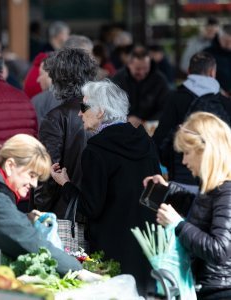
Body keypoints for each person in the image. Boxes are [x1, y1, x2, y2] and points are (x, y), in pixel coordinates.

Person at [51, 80, 161, 295]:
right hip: (148, 245)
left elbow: (90, 207)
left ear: (100, 111)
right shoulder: (146, 142)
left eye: (84, 108)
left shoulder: (95, 151)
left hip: (113, 250)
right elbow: (156, 194)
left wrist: (65, 185)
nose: (80, 114)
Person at [0, 134, 83, 275]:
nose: (34, 184)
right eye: (31, 175)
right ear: (10, 165)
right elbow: (27, 239)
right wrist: (78, 271)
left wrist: (24, 218)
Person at [144, 111, 231, 300]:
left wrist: (178, 225)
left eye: (187, 153)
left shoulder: (227, 191)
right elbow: (203, 213)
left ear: (205, 151)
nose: (184, 161)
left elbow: (220, 250)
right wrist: (169, 190)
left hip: (219, 292)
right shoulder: (215, 188)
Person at [34, 48, 98, 219]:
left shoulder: (56, 118)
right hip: (98, 208)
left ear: (58, 79)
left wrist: (40, 210)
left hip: (67, 211)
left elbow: (49, 173)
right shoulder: (103, 112)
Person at [153, 51, 231, 190]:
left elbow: (159, 139)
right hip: (217, 180)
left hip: (182, 180)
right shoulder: (225, 102)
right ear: (212, 72)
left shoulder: (175, 98)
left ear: (189, 72)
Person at [111, 46, 170, 127]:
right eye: (138, 69)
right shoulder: (118, 79)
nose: (142, 73)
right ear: (129, 65)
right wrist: (126, 119)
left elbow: (166, 107)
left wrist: (145, 122)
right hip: (123, 125)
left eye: (145, 68)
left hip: (151, 126)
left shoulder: (160, 80)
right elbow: (110, 106)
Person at [204, 24, 231, 95]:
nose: (228, 44)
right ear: (219, 38)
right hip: (214, 94)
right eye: (226, 41)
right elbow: (202, 75)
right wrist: (219, 90)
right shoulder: (208, 53)